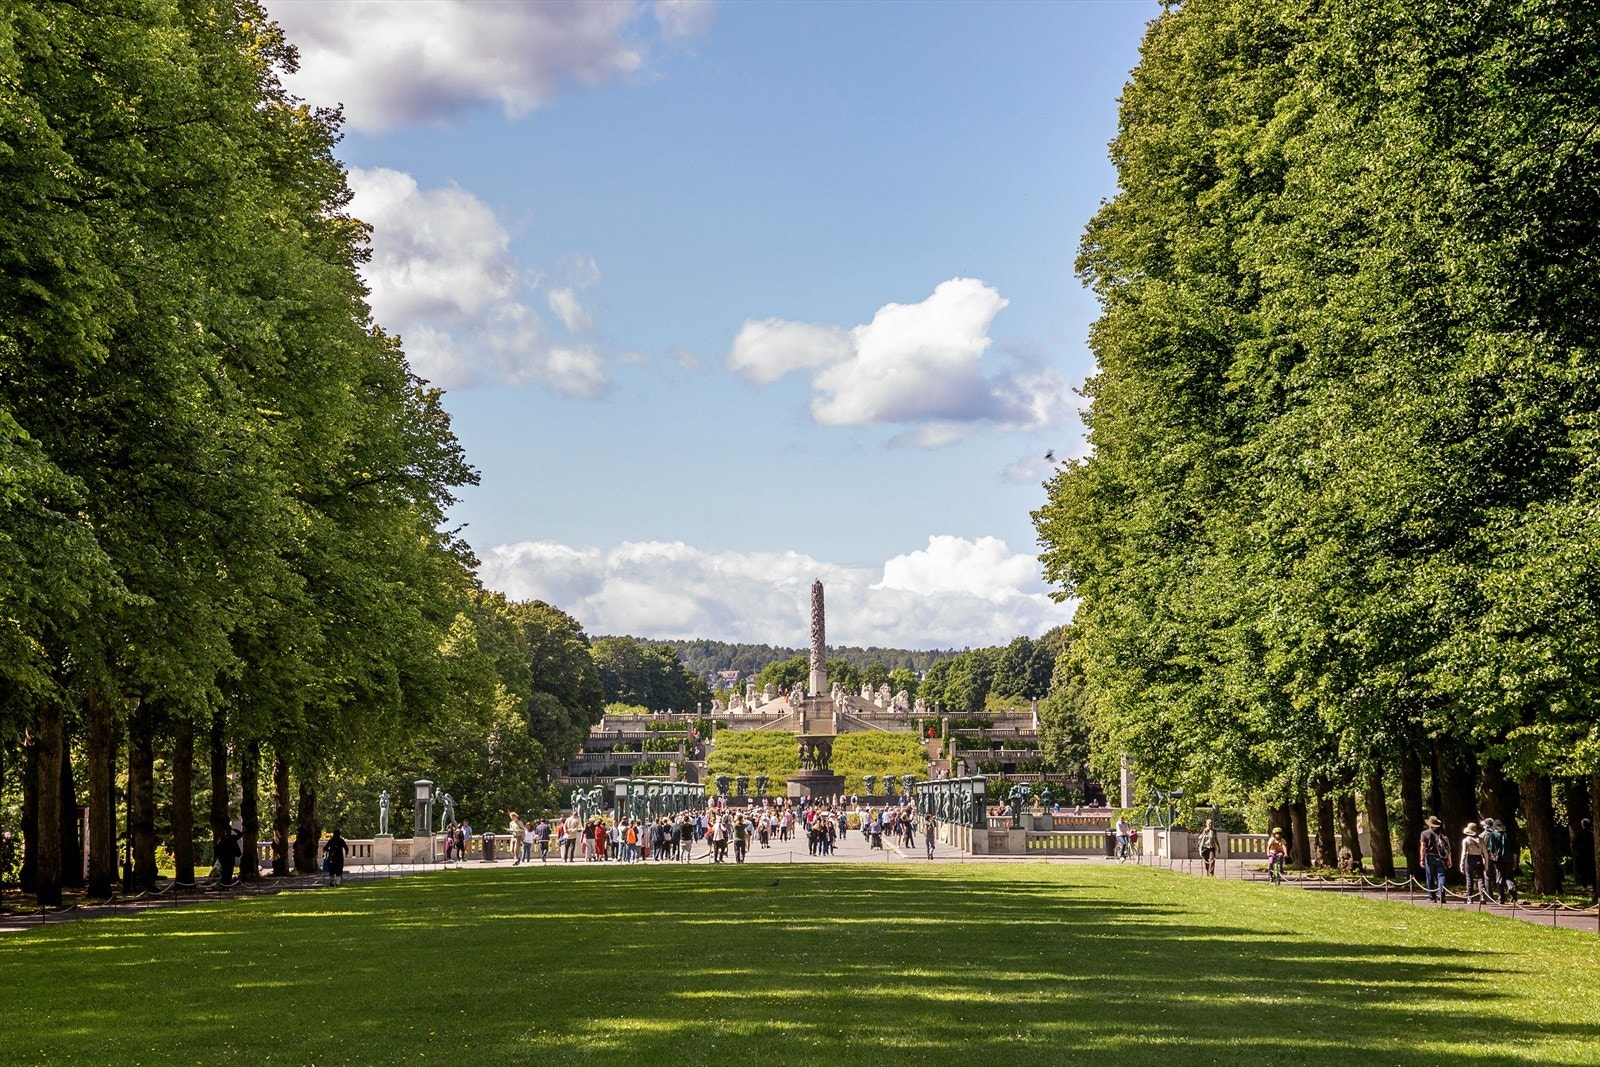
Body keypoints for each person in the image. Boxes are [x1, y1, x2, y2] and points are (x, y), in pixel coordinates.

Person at [1420, 814, 1452, 903]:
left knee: (1429, 876)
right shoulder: (1442, 834)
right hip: (1441, 858)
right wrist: (1449, 859)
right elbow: (1448, 848)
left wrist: (1421, 859)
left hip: (1429, 857)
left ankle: (1432, 897)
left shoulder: (1424, 833)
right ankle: (1441, 895)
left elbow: (1423, 847)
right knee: (1441, 876)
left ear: (1429, 824)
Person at [1459, 822, 1488, 903]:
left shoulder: (1466, 840)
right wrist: (1486, 864)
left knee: (1469, 879)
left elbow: (1463, 853)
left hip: (1469, 859)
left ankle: (1470, 898)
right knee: (1480, 878)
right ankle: (1482, 897)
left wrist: (1461, 864)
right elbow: (1485, 853)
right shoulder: (1481, 840)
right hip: (1479, 858)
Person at [1483, 818, 1509, 903]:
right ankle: (1501, 896)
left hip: (1491, 857)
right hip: (1500, 858)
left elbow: (1487, 847)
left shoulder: (1485, 834)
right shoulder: (1502, 833)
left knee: (1487, 876)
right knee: (1499, 876)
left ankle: (1489, 896)